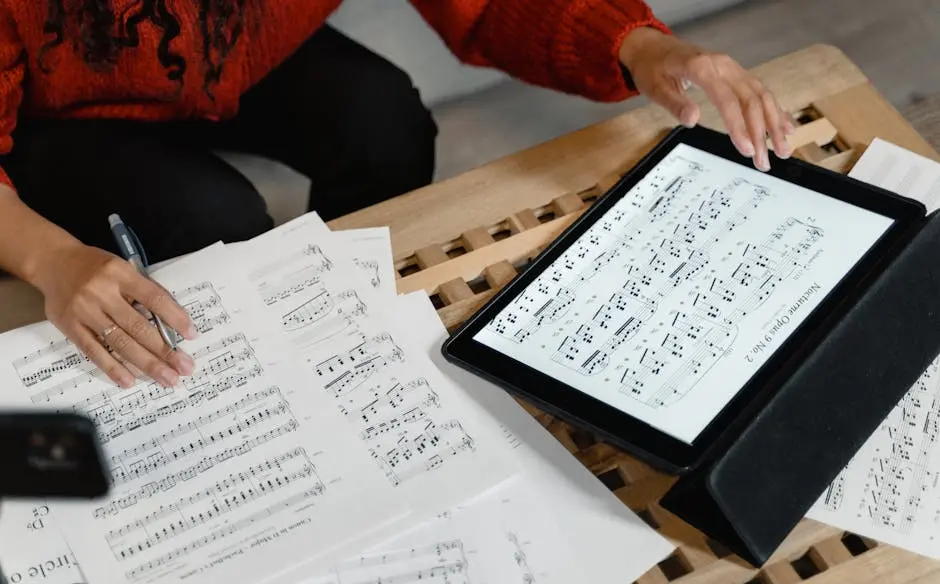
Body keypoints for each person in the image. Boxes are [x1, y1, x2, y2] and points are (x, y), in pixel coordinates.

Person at [0, 1, 792, 390]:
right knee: (216, 220)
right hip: (45, 106)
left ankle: (348, 327)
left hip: (234, 44)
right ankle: (244, 384)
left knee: (383, 123)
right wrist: (51, 255)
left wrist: (641, 43)